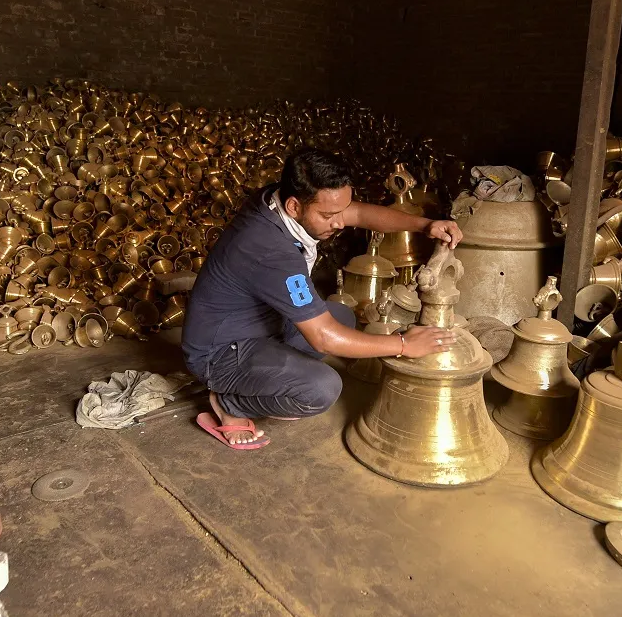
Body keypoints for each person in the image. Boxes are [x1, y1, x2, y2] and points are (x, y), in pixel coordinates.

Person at [181, 150, 464, 449]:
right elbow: (323, 340)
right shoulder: (270, 250)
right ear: (294, 206)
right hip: (219, 352)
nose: (340, 223)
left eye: (338, 210)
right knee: (321, 388)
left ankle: (266, 377)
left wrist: (425, 224)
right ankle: (230, 402)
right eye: (329, 216)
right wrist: (405, 345)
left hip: (258, 326)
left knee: (341, 316)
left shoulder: (278, 201)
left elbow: (356, 213)